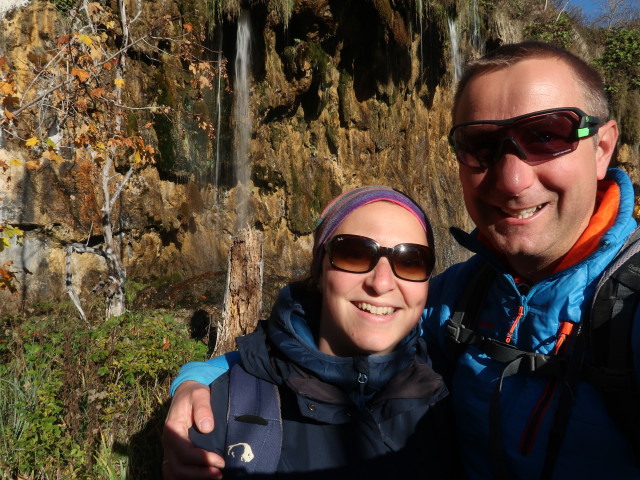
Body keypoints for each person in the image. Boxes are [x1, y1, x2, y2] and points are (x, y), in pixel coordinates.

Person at [163, 40, 640, 479]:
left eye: (545, 135)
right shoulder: (459, 299)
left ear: (602, 148)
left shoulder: (627, 312)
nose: (513, 179)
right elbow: (312, 338)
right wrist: (198, 381)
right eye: (480, 145)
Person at [163, 186, 452, 479]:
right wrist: (193, 378)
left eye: (411, 261)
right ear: (319, 268)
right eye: (355, 254)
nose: (381, 283)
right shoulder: (223, 409)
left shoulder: (452, 398)